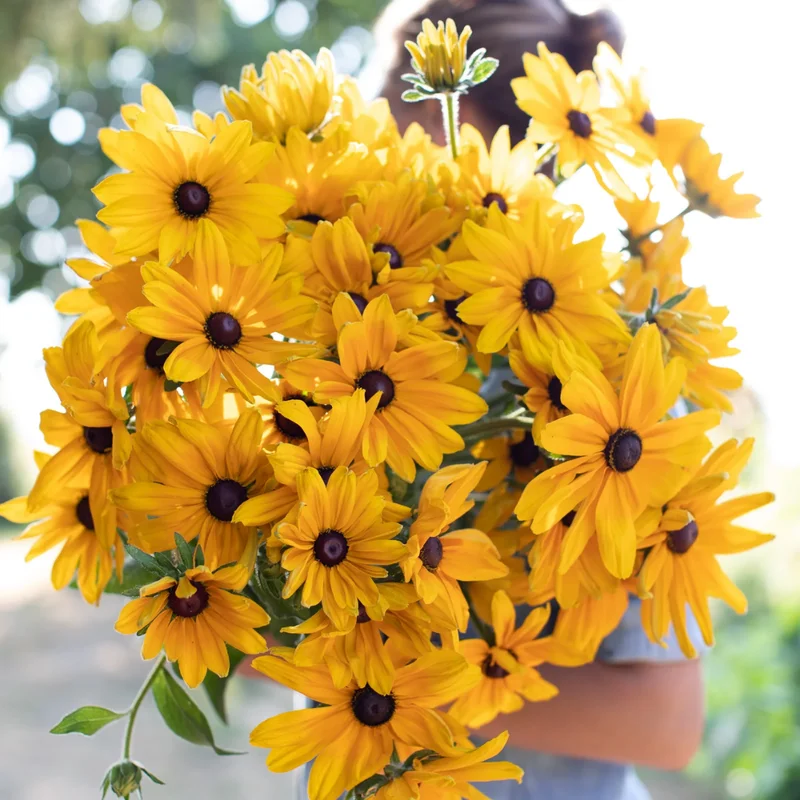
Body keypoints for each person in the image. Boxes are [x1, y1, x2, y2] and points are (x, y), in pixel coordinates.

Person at [368, 2, 707, 798]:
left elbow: (666, 722)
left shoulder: (627, 380)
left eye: (413, 139)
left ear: (509, 149)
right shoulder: (354, 341)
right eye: (378, 142)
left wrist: (387, 688)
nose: (388, 173)